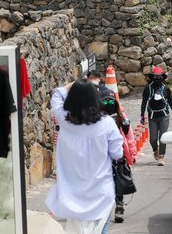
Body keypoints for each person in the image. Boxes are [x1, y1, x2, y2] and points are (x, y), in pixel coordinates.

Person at [47, 80, 123, 234]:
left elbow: (56, 96)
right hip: (100, 192)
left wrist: (70, 85)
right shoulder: (107, 123)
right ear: (96, 98)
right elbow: (117, 153)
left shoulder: (64, 119)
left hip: (72, 194)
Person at [99, 89, 136, 224]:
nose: (108, 103)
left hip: (118, 155)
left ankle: (119, 207)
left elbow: (130, 137)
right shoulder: (96, 119)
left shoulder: (122, 117)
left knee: (118, 181)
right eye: (105, 101)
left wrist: (132, 154)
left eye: (111, 101)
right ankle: (104, 210)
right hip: (102, 157)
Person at [140, 67, 172, 166]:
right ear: (152, 78)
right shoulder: (148, 89)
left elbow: (170, 101)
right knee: (152, 139)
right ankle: (155, 150)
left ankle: (161, 156)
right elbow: (144, 102)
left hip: (164, 116)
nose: (157, 79)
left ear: (162, 78)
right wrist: (142, 115)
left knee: (162, 137)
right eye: (155, 77)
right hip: (152, 116)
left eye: (159, 77)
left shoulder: (166, 89)